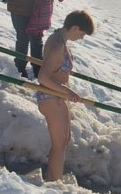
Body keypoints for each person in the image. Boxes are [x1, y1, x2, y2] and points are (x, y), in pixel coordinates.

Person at [36, 10, 94, 182]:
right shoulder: (57, 45)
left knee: (64, 140)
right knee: (59, 144)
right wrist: (67, 91)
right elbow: (43, 77)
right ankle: (54, 183)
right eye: (82, 34)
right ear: (75, 28)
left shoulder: (60, 40)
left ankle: (53, 178)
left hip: (58, 96)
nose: (81, 38)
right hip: (51, 97)